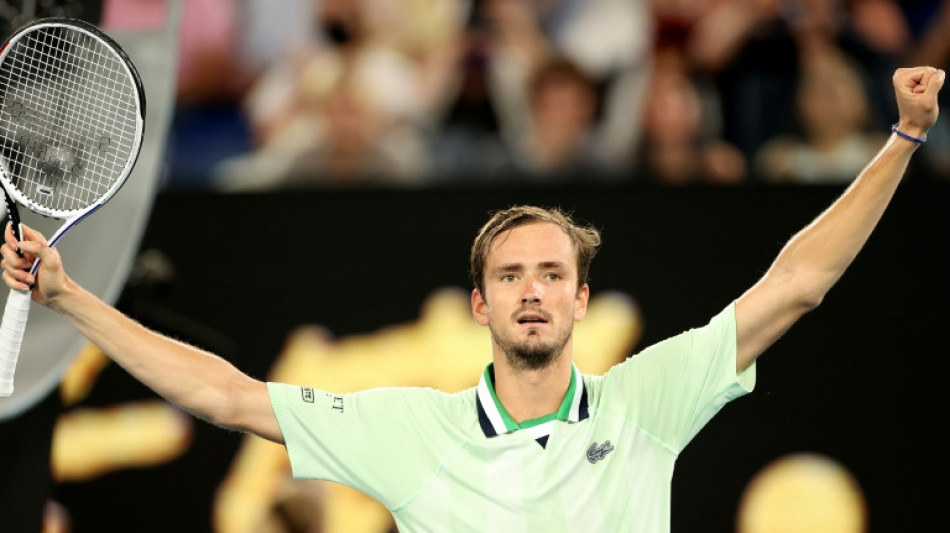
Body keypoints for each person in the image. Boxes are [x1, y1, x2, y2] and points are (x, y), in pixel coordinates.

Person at [0, 67, 942, 532]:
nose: (531, 290)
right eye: (509, 276)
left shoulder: (646, 402)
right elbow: (227, 395)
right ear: (480, 307)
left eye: (549, 275)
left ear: (581, 301)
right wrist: (73, 296)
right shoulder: (410, 429)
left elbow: (799, 282)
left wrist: (901, 138)